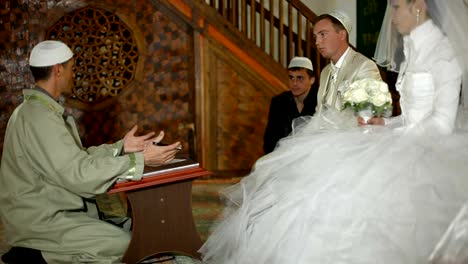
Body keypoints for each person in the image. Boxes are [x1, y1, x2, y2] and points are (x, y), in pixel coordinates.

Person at [199, 0, 468, 263]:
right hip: (336, 142)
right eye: (314, 36)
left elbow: (434, 122)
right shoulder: (330, 71)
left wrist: (382, 128)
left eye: (396, 7)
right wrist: (385, 125)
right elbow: (405, 117)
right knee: (279, 183)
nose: (392, 16)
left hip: (393, 148)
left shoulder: (378, 64)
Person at [0, 40, 182, 263]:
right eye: (71, 68)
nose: (73, 74)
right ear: (58, 70)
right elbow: (79, 174)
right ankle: (32, 254)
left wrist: (121, 148)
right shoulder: (39, 117)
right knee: (125, 244)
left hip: (52, 210)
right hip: (39, 221)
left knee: (135, 232)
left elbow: (77, 158)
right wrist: (140, 160)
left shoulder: (38, 111)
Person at [313, 10, 382, 114]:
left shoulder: (364, 66)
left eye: (323, 34)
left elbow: (371, 114)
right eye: (315, 37)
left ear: (341, 35)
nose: (317, 42)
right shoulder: (325, 72)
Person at [263, 57, 317, 154]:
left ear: (312, 80)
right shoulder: (279, 102)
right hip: (283, 157)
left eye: (300, 78)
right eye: (291, 77)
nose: (294, 83)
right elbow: (270, 140)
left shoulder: (321, 101)